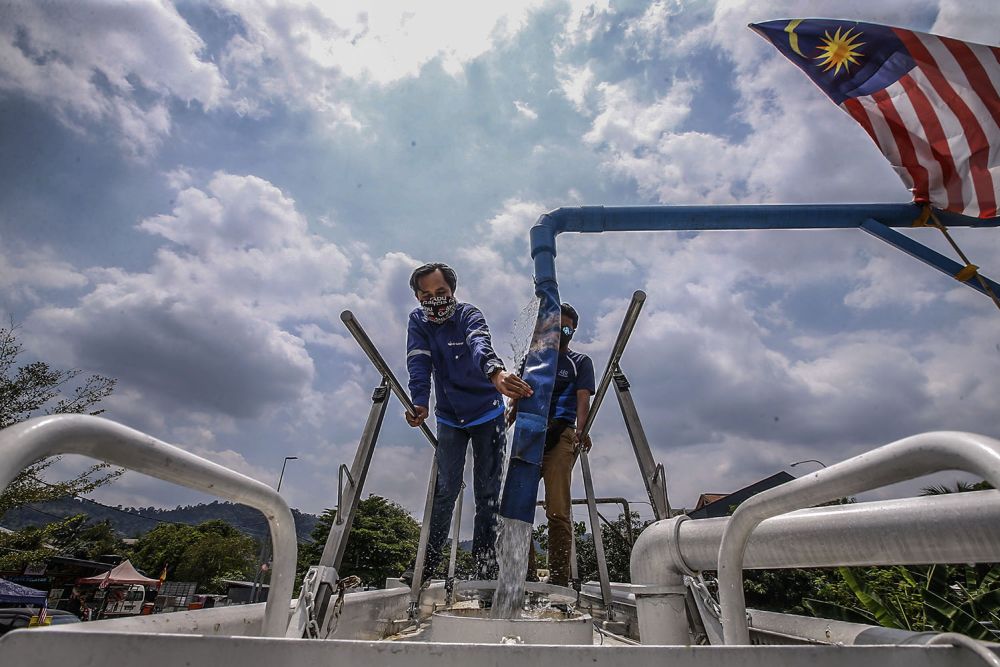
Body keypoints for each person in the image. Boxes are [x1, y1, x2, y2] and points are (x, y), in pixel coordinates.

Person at [403, 262, 533, 583]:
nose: (436, 301)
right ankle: (425, 565)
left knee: (487, 495)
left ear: (453, 292)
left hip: (488, 414)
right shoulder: (418, 322)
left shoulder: (468, 315)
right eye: (427, 295)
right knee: (445, 491)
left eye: (442, 293)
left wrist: (497, 373)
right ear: (418, 298)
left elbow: (480, 345)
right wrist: (419, 401)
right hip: (449, 417)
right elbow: (418, 361)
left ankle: (484, 569)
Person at [509, 303, 595, 588]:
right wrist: (502, 427)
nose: (564, 333)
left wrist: (581, 430)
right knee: (517, 508)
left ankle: (559, 579)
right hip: (529, 434)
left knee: (558, 510)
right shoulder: (532, 359)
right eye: (559, 327)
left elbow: (584, 398)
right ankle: (527, 574)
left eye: (569, 328)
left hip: (561, 435)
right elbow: (517, 397)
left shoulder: (579, 362)